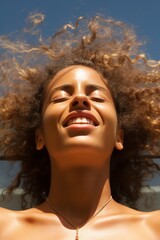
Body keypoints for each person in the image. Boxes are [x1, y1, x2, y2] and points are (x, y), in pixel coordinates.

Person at [0, 14, 160, 239]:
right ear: (39, 137)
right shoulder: (4, 227)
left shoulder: (155, 228)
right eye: (59, 97)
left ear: (119, 137)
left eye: (97, 96)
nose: (80, 100)